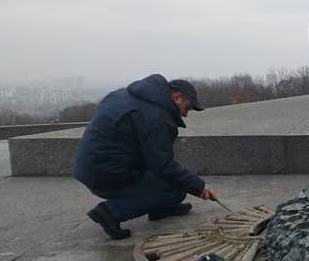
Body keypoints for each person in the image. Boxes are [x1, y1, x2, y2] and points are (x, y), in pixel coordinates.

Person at [74, 74, 219, 240]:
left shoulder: (126, 95)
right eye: (186, 108)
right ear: (177, 97)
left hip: (90, 165)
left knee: (174, 185)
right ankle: (110, 212)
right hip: (105, 174)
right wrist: (199, 186)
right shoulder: (156, 118)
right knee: (174, 191)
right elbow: (163, 166)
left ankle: (158, 209)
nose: (185, 115)